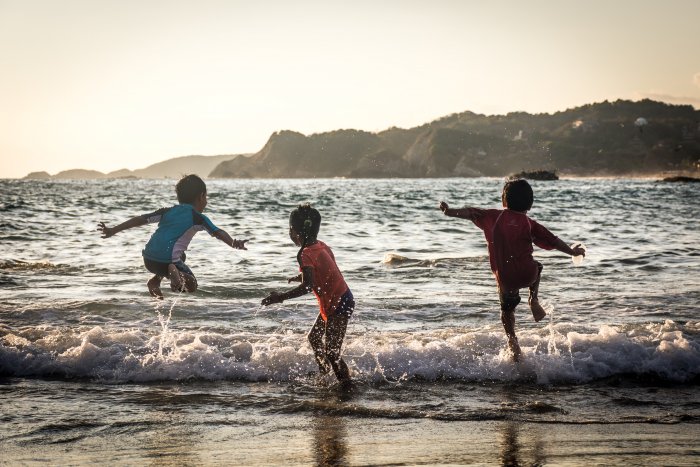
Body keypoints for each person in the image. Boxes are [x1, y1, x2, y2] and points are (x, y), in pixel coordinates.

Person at [439, 179, 585, 361]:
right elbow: (554, 241)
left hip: (506, 279)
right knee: (538, 267)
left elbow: (470, 213)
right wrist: (572, 251)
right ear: (530, 204)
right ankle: (534, 299)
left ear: (504, 201)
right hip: (527, 274)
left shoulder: (492, 216)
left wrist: (450, 211)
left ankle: (513, 343)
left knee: (507, 310)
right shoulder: (530, 223)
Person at [97, 174, 248, 298]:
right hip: (167, 262)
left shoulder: (167, 211)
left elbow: (140, 220)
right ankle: (174, 271)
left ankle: (155, 281)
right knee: (191, 285)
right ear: (201, 196)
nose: (206, 202)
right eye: (206, 197)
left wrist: (113, 230)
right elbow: (218, 232)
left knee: (181, 256)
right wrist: (233, 242)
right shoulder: (198, 217)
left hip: (148, 260)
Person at [261, 204, 354, 384]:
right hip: (340, 297)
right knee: (314, 338)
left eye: (289, 228)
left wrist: (280, 297)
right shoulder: (321, 245)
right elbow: (328, 269)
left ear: (295, 232)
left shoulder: (304, 254)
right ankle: (325, 373)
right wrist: (303, 275)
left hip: (338, 302)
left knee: (332, 352)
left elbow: (307, 287)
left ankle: (347, 386)